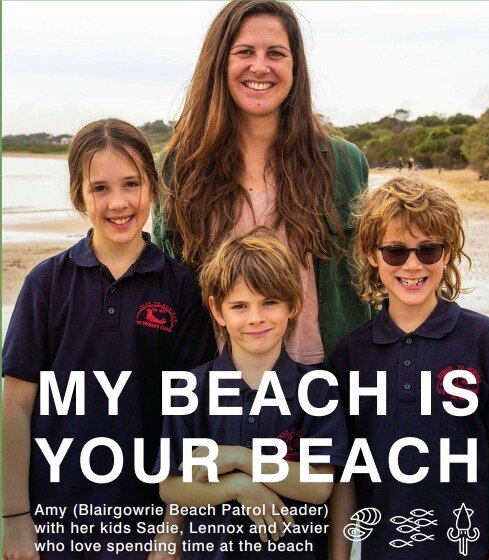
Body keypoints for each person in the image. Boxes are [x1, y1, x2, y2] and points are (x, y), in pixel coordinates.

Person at [2, 118, 216, 559]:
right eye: (100, 188)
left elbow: (190, 416)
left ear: (152, 186)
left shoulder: (181, 287)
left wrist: (173, 525)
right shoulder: (46, 284)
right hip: (55, 521)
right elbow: (15, 406)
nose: (118, 202)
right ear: (79, 195)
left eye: (131, 184)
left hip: (145, 521)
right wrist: (15, 519)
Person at [152, 0, 371, 369]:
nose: (260, 66)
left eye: (275, 53)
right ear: (219, 62)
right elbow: (164, 287)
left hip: (322, 379)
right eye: (244, 52)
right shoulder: (177, 169)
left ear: (294, 66)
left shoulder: (343, 163)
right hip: (213, 384)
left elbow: (369, 284)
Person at [329, 175, 489, 559]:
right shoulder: (351, 353)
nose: (412, 265)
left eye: (428, 250)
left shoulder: (487, 341)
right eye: (395, 252)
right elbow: (345, 473)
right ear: (371, 254)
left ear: (446, 254)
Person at [158, 228, 349, 559]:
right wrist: (240, 486)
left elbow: (318, 487)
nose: (256, 318)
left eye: (269, 302)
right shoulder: (191, 388)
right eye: (240, 306)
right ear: (218, 311)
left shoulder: (317, 390)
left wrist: (239, 458)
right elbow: (172, 487)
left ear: (293, 305)